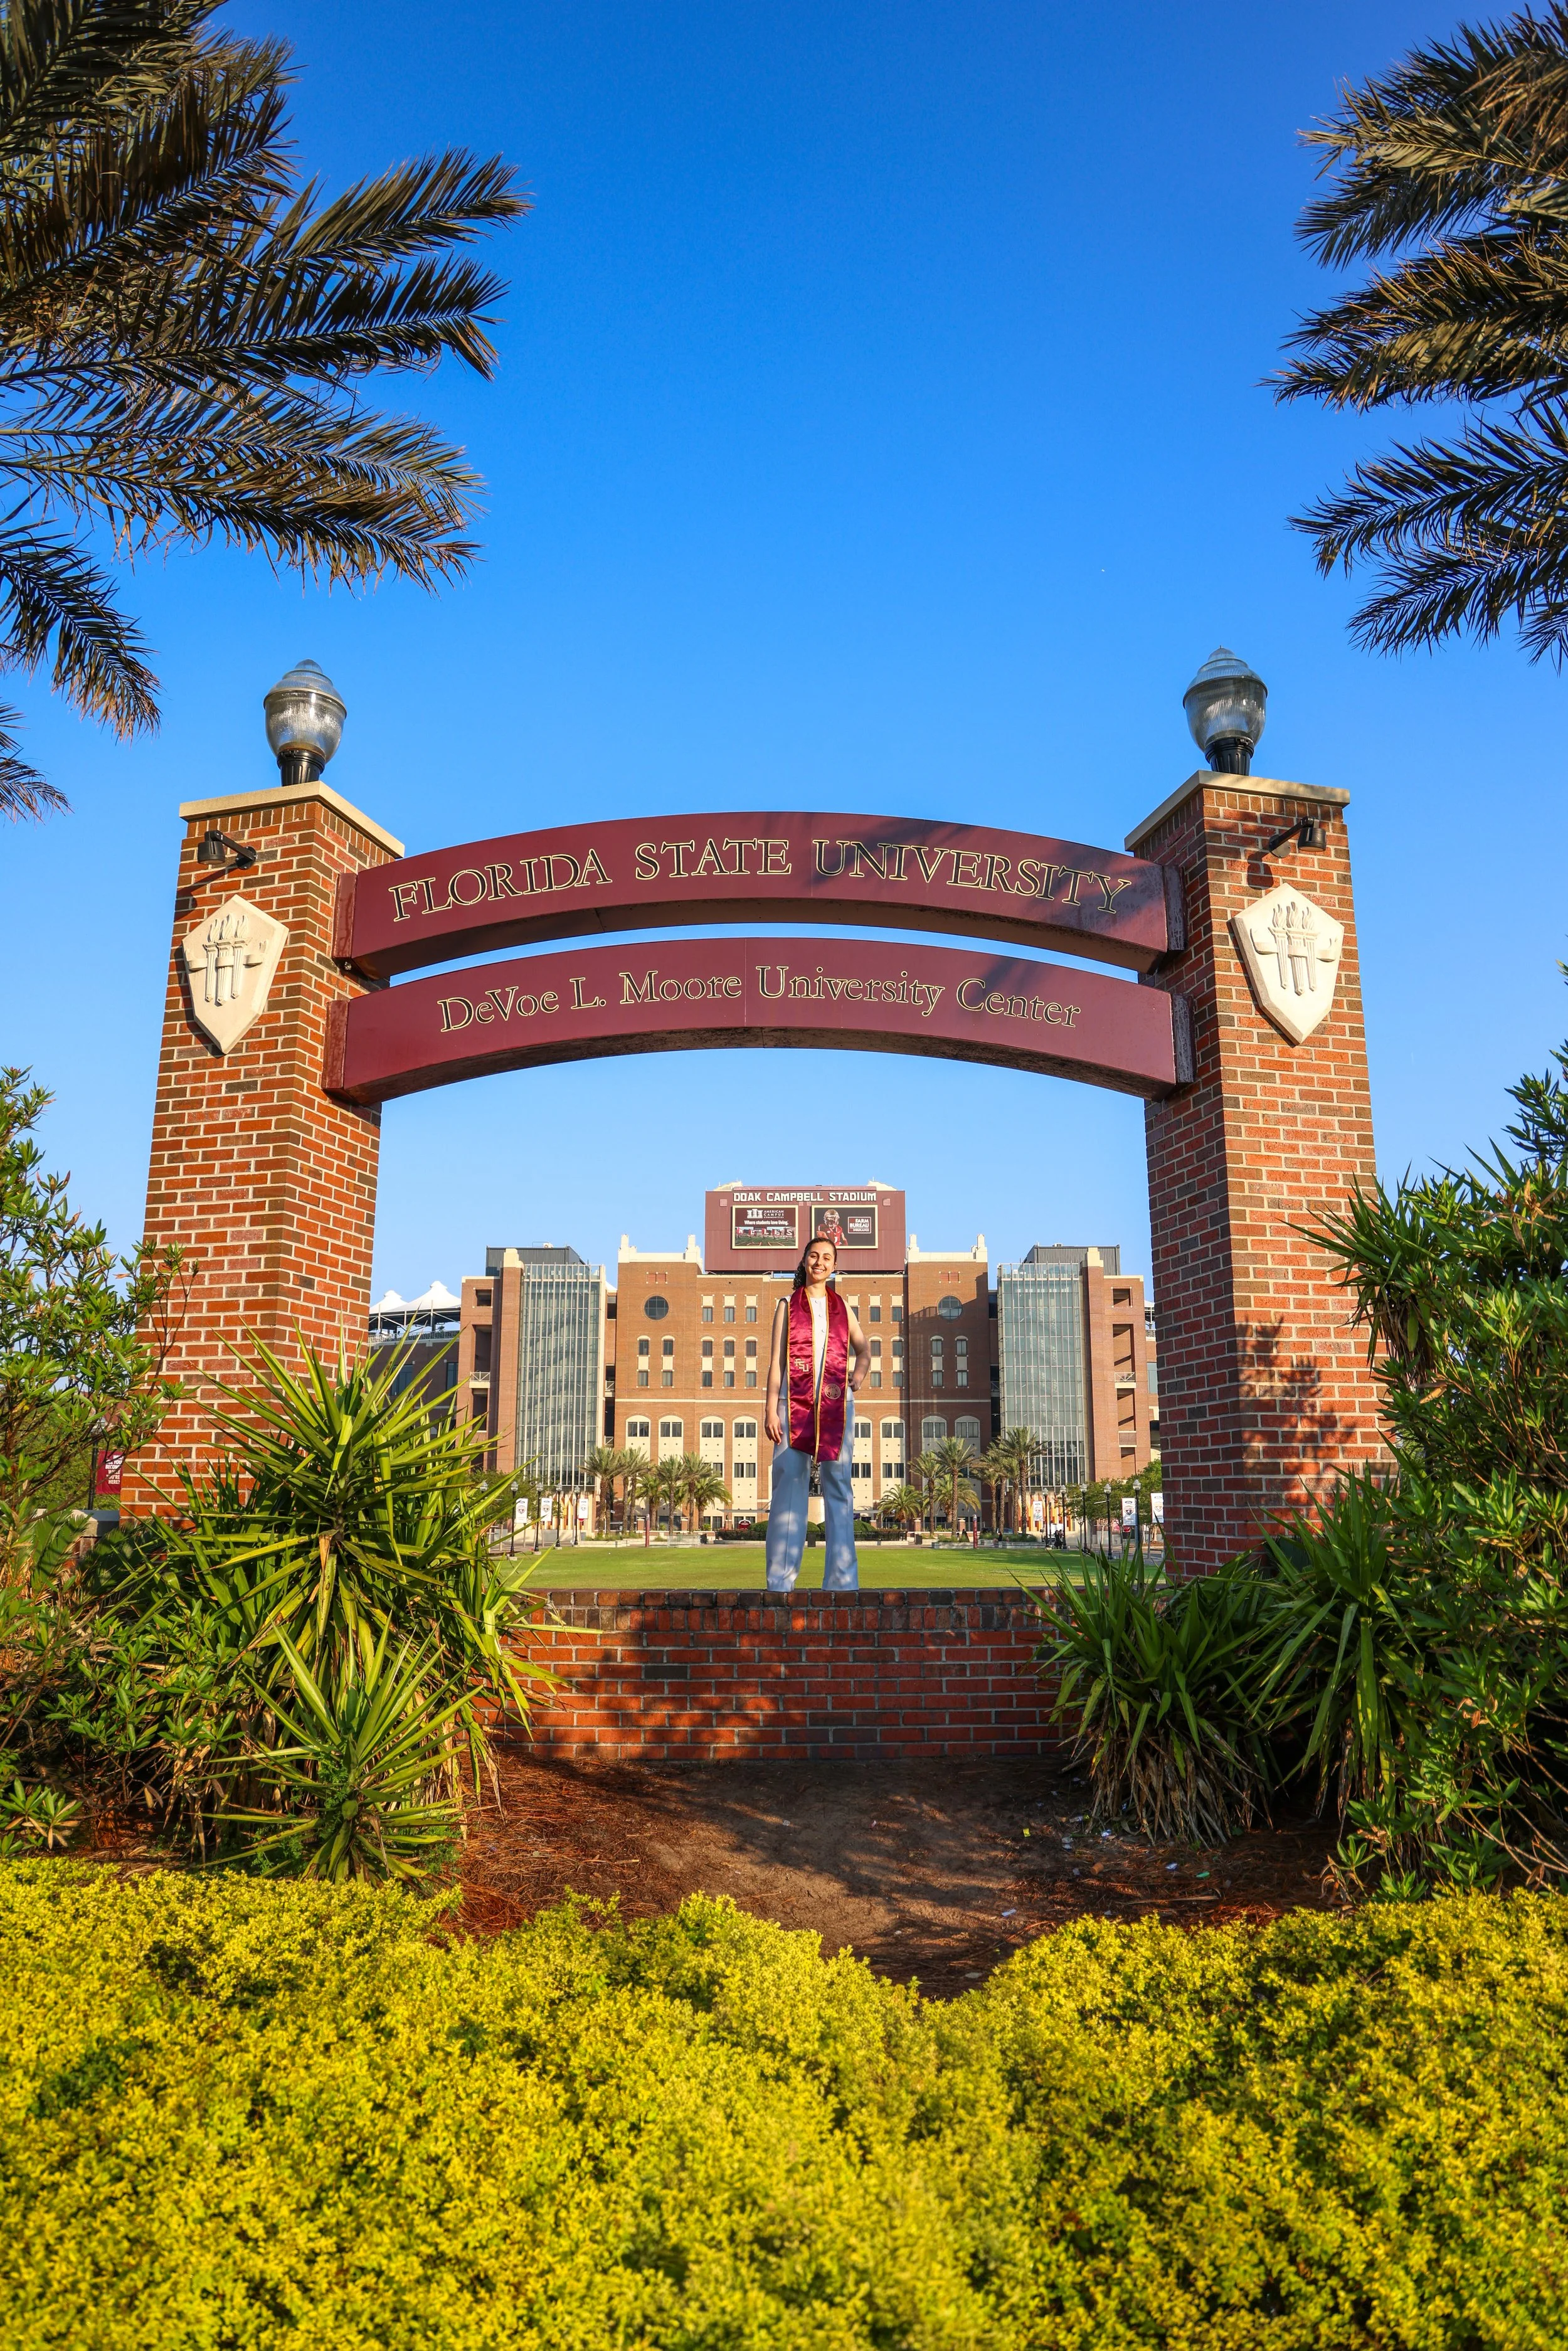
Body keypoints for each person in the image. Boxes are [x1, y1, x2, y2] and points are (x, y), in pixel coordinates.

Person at [763, 1234, 870, 1592]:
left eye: (827, 1257)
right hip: (793, 1404)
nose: (820, 1262)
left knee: (838, 1485)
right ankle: (780, 1581)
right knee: (789, 1485)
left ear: (835, 1265)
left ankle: (842, 1580)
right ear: (805, 1261)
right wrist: (770, 1410)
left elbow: (864, 1349)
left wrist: (860, 1370)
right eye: (814, 1255)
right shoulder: (786, 1305)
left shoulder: (844, 1307)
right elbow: (777, 1362)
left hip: (837, 1404)